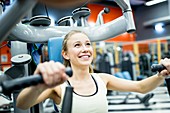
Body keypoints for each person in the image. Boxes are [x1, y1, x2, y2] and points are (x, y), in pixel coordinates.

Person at [16, 30, 170, 113]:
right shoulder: (59, 85)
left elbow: (141, 87)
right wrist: (38, 85)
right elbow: (22, 104)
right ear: (65, 54)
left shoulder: (102, 79)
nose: (85, 49)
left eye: (88, 44)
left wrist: (161, 75)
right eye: (77, 45)